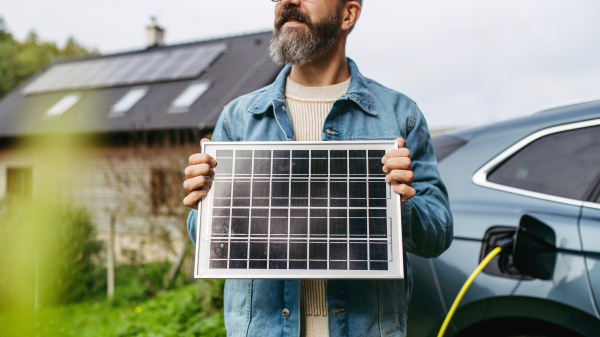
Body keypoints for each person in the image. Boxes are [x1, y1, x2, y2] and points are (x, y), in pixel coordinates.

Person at [182, 0, 453, 336]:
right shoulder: (239, 118)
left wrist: (400, 207)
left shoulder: (400, 115)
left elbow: (439, 233)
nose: (288, 2)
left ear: (348, 14)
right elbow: (208, 239)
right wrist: (208, 205)